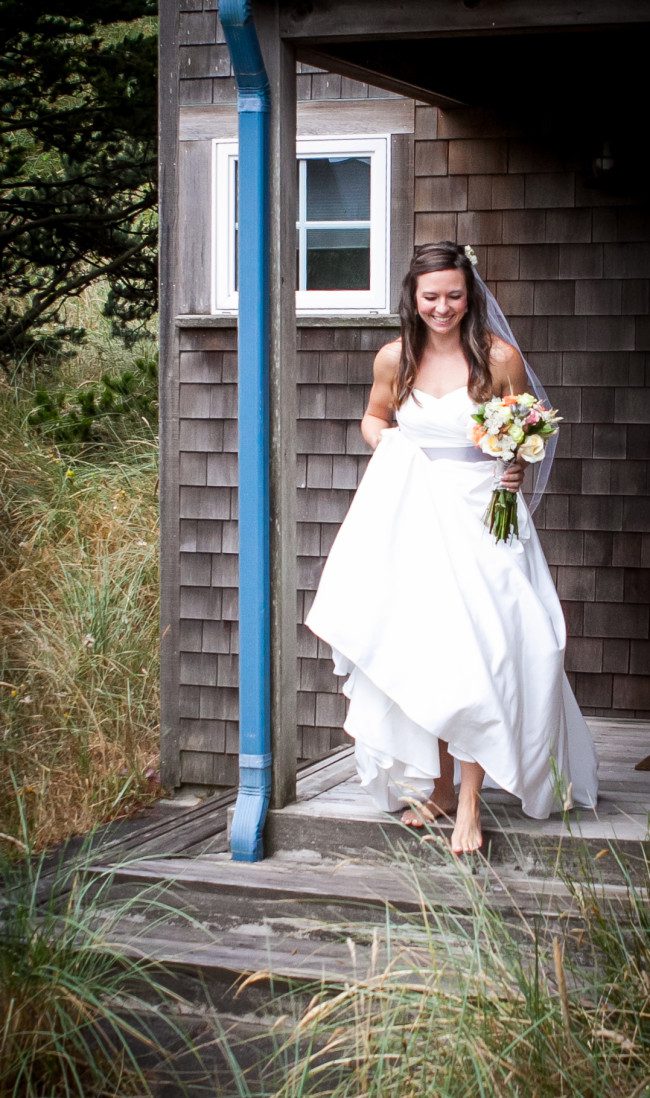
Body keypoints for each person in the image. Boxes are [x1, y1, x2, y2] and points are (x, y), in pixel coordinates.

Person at [306, 241, 598, 855]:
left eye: (454, 295)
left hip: (483, 513)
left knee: (487, 646)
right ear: (413, 298)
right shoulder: (396, 359)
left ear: (471, 296)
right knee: (429, 646)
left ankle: (471, 799)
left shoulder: (500, 358)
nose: (443, 307)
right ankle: (440, 786)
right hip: (414, 515)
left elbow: (523, 430)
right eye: (431, 296)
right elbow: (373, 417)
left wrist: (514, 463)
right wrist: (388, 440)